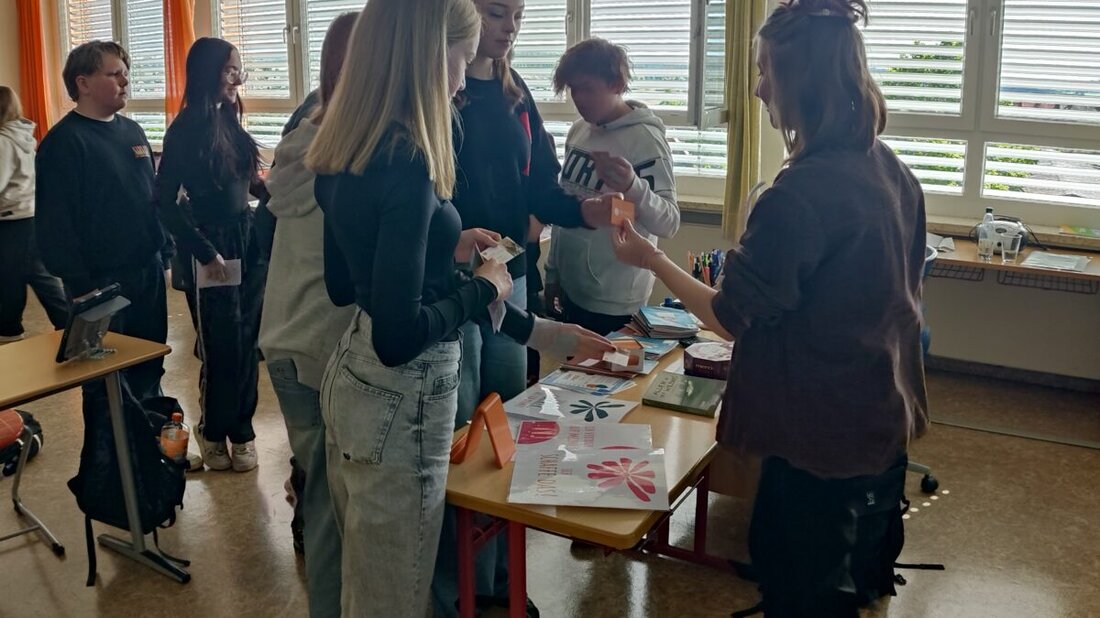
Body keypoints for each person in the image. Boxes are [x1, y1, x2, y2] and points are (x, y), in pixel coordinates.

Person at [610, 0, 929, 615]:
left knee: (800, 589)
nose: (757, 88)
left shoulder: (801, 194)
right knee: (852, 580)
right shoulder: (888, 168)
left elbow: (730, 316)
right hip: (878, 420)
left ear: (799, 82)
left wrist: (653, 261)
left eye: (765, 72)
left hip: (819, 437)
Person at [305, 0, 613, 614]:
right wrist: (483, 289)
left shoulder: (345, 147)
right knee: (395, 592)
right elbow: (402, 335)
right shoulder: (412, 161)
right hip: (405, 389)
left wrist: (448, 250)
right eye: (459, 55)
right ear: (428, 55)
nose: (462, 72)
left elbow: (347, 284)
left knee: (368, 576)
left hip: (354, 377)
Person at [432, 2, 617, 614]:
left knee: (504, 446)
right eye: (495, 12)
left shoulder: (517, 94)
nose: (508, 26)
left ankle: (498, 582)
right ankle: (460, 590)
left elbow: (542, 190)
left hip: (513, 283)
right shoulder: (442, 93)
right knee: (460, 450)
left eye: (516, 15)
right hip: (454, 291)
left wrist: (585, 211)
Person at [258, 11, 358, 618]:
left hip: (289, 340)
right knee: (337, 507)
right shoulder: (358, 149)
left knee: (323, 501)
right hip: (325, 346)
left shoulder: (308, 128)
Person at [35, 41, 169, 403]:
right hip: (99, 283)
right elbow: (55, 226)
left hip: (147, 272)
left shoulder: (133, 131)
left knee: (150, 363)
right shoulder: (63, 143)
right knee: (107, 383)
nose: (125, 81)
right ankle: (112, 458)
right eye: (114, 74)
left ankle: (154, 448)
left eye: (126, 74)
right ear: (83, 83)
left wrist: (164, 249)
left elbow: (149, 197)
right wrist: (81, 287)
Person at [157, 37, 268, 473]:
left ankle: (241, 430)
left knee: (246, 345)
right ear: (207, 74)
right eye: (228, 70)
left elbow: (246, 180)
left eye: (238, 69)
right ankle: (213, 429)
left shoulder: (231, 121)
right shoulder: (184, 129)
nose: (236, 78)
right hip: (210, 249)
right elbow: (165, 203)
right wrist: (204, 253)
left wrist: (270, 192)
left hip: (246, 243)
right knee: (219, 346)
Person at [545, 37, 680, 336]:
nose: (579, 98)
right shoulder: (578, 131)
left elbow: (669, 222)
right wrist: (552, 272)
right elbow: (564, 210)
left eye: (588, 88)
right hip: (570, 287)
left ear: (617, 84)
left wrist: (632, 185)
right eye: (573, 89)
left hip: (615, 300)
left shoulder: (645, 140)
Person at [0, 86, 69, 342]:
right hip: (27, 215)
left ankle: (70, 326)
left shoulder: (3, 141)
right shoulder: (21, 136)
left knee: (33, 277)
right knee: (14, 277)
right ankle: (9, 329)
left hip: (13, 220)